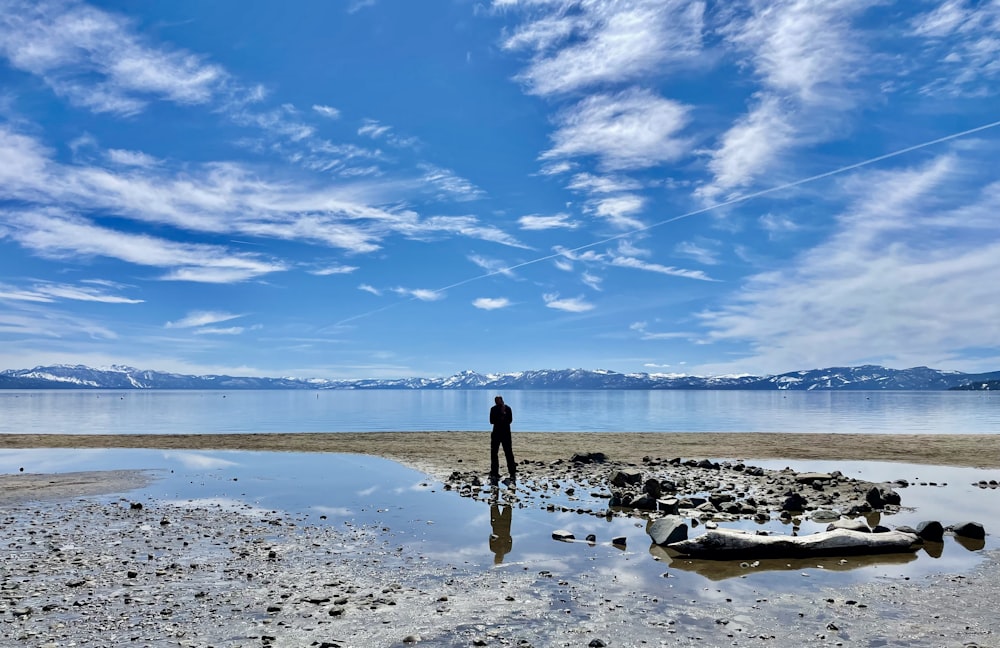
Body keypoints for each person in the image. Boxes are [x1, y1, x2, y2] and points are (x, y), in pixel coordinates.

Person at [489, 395, 515, 485]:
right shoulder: (493, 409)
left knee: (508, 452)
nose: (496, 402)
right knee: (494, 453)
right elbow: (492, 421)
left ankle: (512, 472)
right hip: (496, 433)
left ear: (502, 400)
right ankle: (494, 472)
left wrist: (503, 414)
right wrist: (500, 417)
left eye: (498, 400)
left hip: (506, 433)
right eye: (495, 401)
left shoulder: (508, 409)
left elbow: (510, 420)